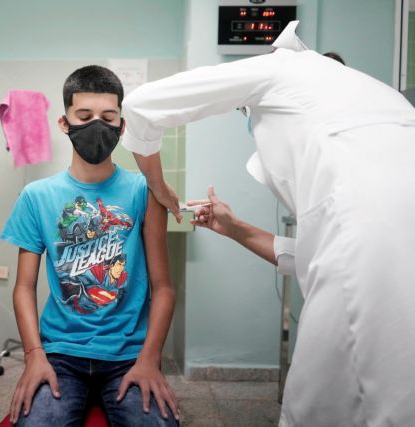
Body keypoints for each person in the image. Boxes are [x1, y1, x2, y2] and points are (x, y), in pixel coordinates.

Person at [121, 20, 415, 427]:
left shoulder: (283, 65)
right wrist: (235, 227)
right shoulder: (385, 101)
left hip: (362, 253)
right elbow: (316, 255)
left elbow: (140, 106)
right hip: (376, 254)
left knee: (316, 404)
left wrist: (160, 188)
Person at [0, 65, 179, 426]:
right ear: (64, 123)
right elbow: (23, 287)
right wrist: (34, 354)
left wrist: (150, 359)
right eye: (84, 116)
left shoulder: (145, 192)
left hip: (129, 352)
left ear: (121, 127)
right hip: (60, 354)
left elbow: (163, 288)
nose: (97, 125)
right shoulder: (37, 196)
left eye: (108, 117)